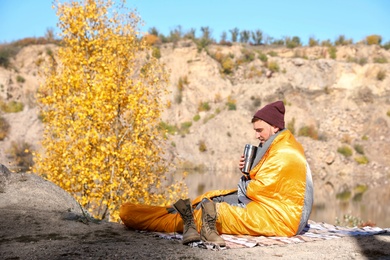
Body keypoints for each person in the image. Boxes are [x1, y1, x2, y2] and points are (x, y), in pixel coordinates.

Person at [120, 100, 314, 247]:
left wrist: (247, 178)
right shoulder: (279, 144)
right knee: (210, 198)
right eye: (256, 131)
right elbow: (266, 186)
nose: (257, 135)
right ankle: (162, 212)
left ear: (275, 126)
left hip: (281, 219)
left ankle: (135, 216)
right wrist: (246, 173)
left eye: (260, 130)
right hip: (269, 208)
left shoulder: (285, 151)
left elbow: (261, 189)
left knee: (207, 214)